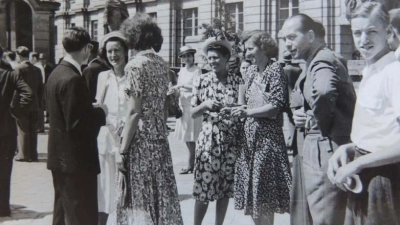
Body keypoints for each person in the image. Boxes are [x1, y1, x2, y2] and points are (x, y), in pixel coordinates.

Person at [327, 3, 400, 224]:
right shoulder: (371, 69)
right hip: (364, 171)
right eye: (357, 32)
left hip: (385, 178)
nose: (363, 39)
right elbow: (381, 132)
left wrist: (358, 163)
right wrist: (347, 148)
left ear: (388, 32)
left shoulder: (394, 73)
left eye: (371, 32)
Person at [281, 14, 357, 225]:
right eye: (284, 39)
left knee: (325, 217)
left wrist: (312, 120)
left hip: (324, 149)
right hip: (323, 148)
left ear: (311, 35)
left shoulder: (322, 59)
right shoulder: (317, 59)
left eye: (292, 37)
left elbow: (323, 92)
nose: (287, 44)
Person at [112, 13, 183, 225]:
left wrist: (123, 149)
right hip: (159, 140)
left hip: (140, 141)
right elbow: (163, 107)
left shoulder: (135, 66)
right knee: (159, 193)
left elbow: (134, 112)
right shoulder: (162, 64)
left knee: (139, 198)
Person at [46, 26, 108, 225]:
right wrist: (100, 113)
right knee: (81, 216)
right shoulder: (73, 79)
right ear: (87, 48)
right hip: (76, 162)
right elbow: (78, 125)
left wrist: (87, 109)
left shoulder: (56, 73)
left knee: (61, 215)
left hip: (60, 159)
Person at [230, 30, 291, 225]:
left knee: (264, 192)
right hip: (249, 138)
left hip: (268, 139)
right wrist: (235, 109)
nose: (246, 53)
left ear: (263, 48)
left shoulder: (275, 70)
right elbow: (246, 101)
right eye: (245, 49)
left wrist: (247, 112)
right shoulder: (250, 71)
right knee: (253, 193)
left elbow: (276, 105)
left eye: (250, 48)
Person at [190, 35, 244, 225]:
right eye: (209, 58)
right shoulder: (201, 80)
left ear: (226, 58)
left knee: (225, 188)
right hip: (208, 141)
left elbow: (243, 109)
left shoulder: (238, 81)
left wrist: (235, 111)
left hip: (231, 141)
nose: (212, 61)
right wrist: (204, 105)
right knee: (204, 188)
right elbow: (192, 113)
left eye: (216, 57)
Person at [94, 31, 128, 225]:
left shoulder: (132, 75)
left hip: (127, 138)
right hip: (107, 138)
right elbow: (99, 106)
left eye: (117, 51)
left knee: (125, 188)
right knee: (105, 187)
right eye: (109, 52)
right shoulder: (103, 77)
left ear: (125, 51)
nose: (113, 55)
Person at [0, 45, 32, 217]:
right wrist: (15, 112)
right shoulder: (10, 75)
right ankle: (3, 207)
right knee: (4, 170)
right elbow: (28, 94)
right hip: (6, 130)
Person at [171, 45, 202, 174]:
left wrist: (182, 86)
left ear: (193, 57)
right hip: (183, 105)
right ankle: (192, 163)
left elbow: (197, 87)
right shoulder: (182, 71)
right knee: (186, 137)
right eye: (184, 56)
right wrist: (175, 90)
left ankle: (191, 165)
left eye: (189, 56)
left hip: (191, 106)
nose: (187, 58)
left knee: (191, 137)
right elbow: (180, 87)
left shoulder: (197, 70)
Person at [13, 46, 43, 162]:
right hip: (34, 104)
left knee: (23, 129)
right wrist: (39, 102)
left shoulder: (18, 69)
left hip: (22, 103)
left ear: (19, 55)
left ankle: (24, 154)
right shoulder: (37, 70)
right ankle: (33, 154)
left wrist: (13, 104)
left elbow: (16, 88)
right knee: (32, 129)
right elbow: (41, 88)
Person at [30, 52, 46, 133]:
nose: (30, 59)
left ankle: (40, 127)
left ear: (34, 58)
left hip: (39, 89)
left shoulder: (38, 67)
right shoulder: (38, 66)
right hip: (39, 89)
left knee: (40, 108)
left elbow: (42, 80)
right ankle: (40, 126)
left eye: (31, 58)